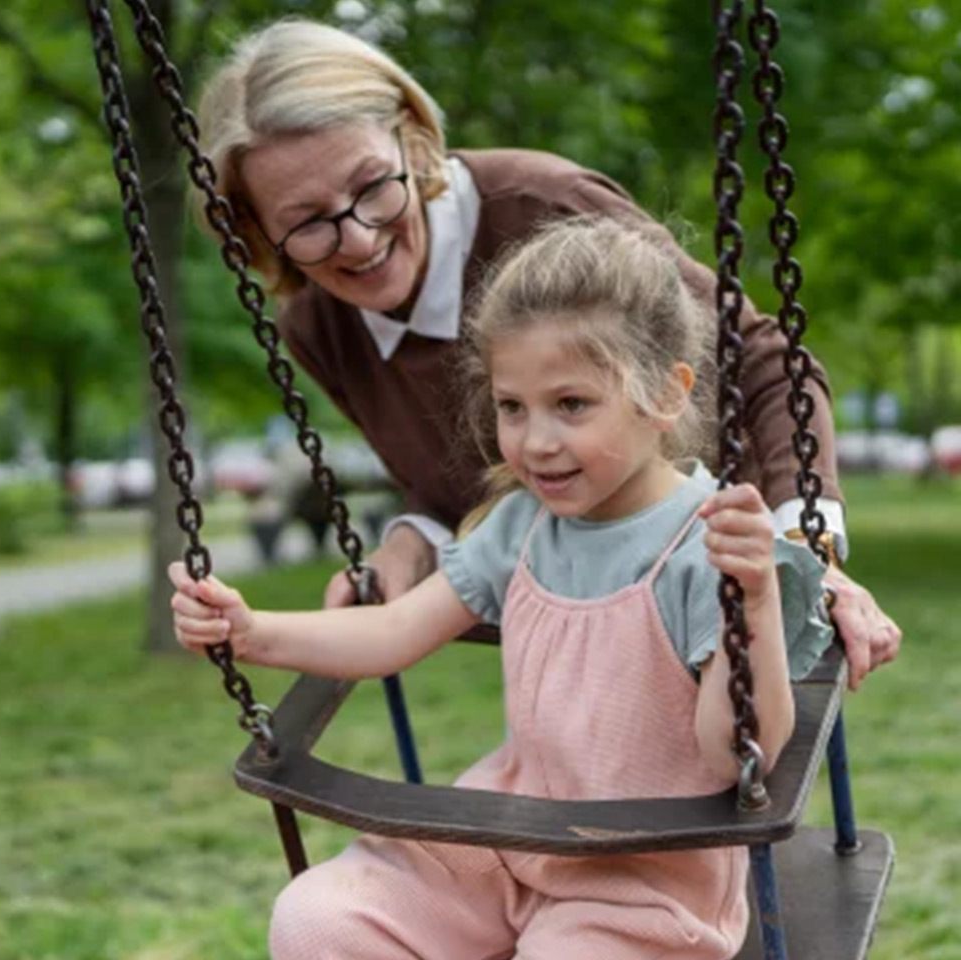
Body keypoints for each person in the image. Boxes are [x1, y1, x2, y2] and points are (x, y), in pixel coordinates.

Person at [169, 218, 836, 958]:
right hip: (505, 834)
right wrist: (252, 632)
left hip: (646, 873)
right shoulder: (521, 525)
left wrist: (754, 600)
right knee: (318, 918)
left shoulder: (710, 546)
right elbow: (395, 631)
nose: (535, 441)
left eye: (572, 404)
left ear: (667, 393)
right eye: (512, 407)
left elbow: (732, 754)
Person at [194, 17, 900, 689]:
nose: (356, 240)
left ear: (411, 143)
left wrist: (806, 552)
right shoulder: (320, 324)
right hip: (579, 625)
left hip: (708, 582)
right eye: (309, 222)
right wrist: (408, 544)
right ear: (256, 231)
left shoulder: (543, 206)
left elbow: (770, 367)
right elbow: (458, 473)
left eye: (373, 187)